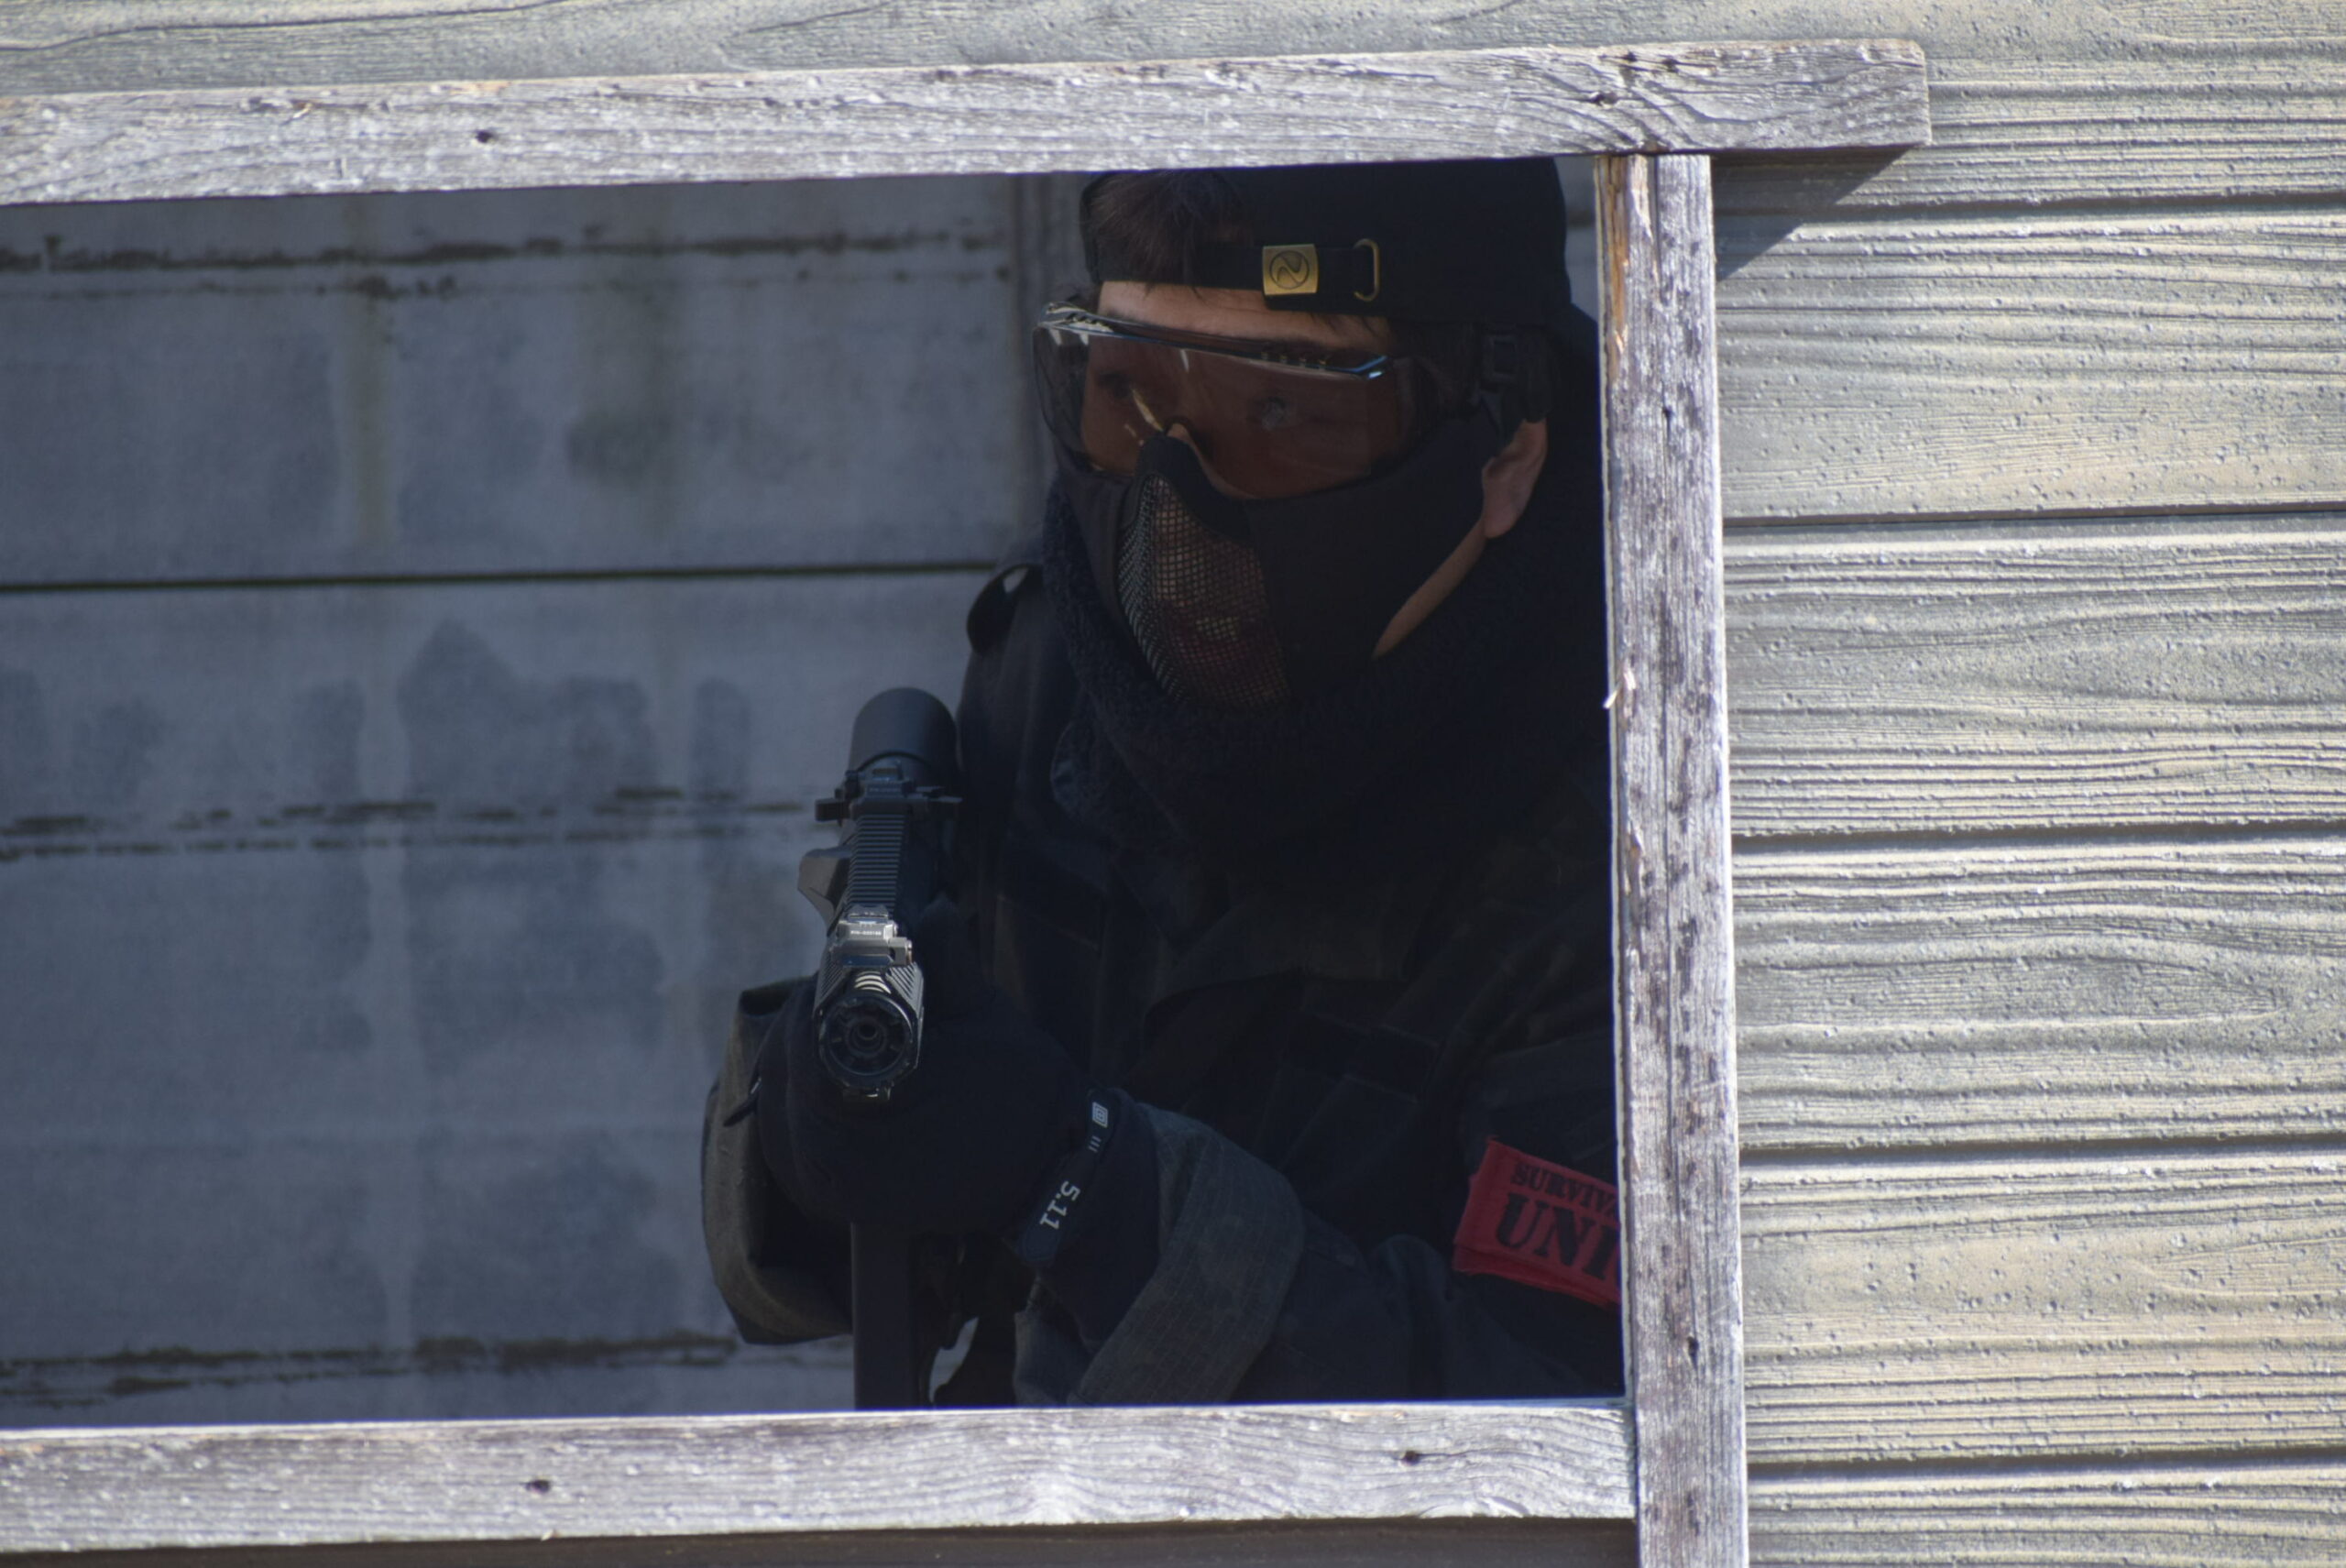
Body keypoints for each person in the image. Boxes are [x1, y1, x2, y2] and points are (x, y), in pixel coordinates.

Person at [702, 158, 1621, 1404]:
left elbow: (1569, 1414)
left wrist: (1088, 1186)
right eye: (1124, 396)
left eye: (1278, 413)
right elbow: (825, 1272)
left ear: (1504, 453)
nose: (1178, 517)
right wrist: (825, 1132)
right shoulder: (1062, 668)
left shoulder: (1641, 813)